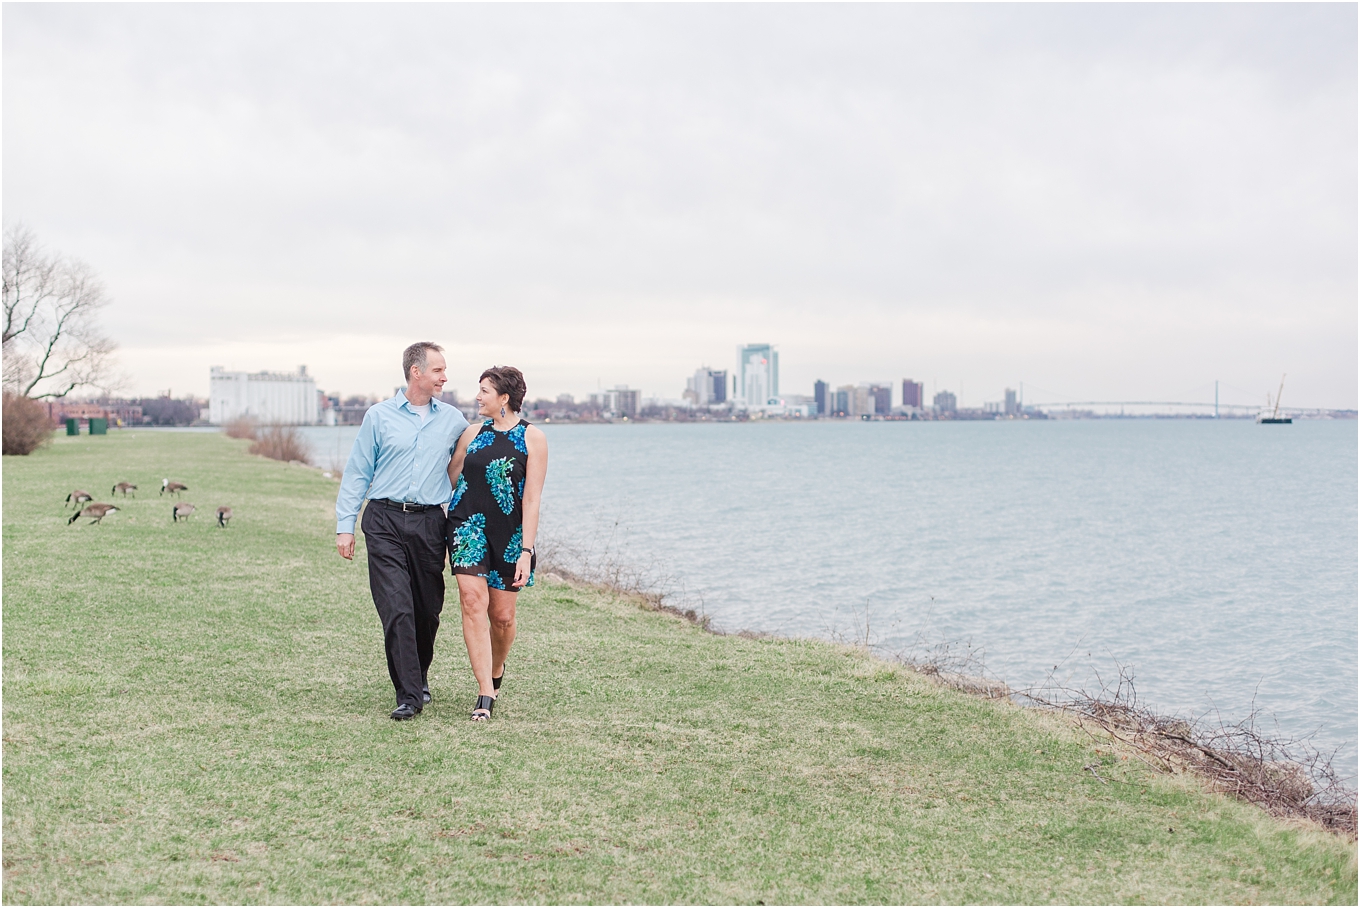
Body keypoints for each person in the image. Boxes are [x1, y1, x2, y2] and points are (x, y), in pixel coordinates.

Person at [336, 342, 469, 720]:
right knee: (397, 608)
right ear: (416, 371)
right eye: (438, 370)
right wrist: (345, 527)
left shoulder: (453, 420)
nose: (445, 376)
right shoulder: (378, 417)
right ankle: (408, 694)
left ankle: (418, 675)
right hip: (384, 520)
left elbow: (477, 450)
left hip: (430, 523)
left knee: (427, 611)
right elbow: (358, 473)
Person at [446, 365, 548, 721]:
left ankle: (496, 669)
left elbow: (532, 499)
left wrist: (527, 550)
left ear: (504, 398)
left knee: (502, 617)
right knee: (473, 600)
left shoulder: (532, 438)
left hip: (509, 536)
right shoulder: (471, 433)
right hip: (466, 527)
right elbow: (451, 475)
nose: (478, 397)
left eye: (484, 391)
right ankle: (485, 693)